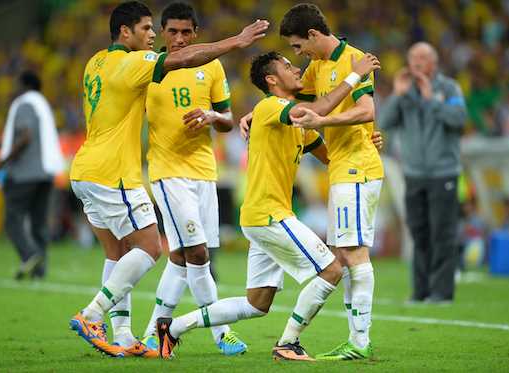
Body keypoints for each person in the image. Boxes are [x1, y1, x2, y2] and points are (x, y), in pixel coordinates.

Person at [68, 0, 269, 358]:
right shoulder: (133, 64)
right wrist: (237, 41)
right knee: (152, 248)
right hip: (117, 172)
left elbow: (220, 111)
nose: (153, 36)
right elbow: (182, 60)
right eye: (149, 29)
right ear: (126, 32)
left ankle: (128, 336)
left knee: (121, 253)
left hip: (89, 170)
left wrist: (211, 115)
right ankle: (92, 314)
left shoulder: (95, 61)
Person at [155, 51, 381, 361]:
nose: (297, 67)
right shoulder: (271, 107)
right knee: (331, 269)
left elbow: (331, 157)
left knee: (257, 304)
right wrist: (355, 75)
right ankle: (288, 343)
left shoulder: (292, 120)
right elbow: (320, 108)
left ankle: (173, 328)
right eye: (288, 65)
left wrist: (367, 143)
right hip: (269, 214)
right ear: (272, 79)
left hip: (262, 215)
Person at [278, 3, 384, 360]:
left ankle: (359, 340)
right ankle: (356, 339)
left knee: (354, 254)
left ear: (312, 34)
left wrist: (323, 124)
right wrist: (251, 114)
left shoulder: (354, 59)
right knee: (346, 254)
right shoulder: (317, 67)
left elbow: (366, 111)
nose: (298, 55)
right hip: (342, 168)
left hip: (357, 167)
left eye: (297, 47)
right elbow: (292, 102)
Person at [140, 2, 246, 356]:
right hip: (167, 172)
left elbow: (229, 119)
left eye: (187, 32)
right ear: (162, 32)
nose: (180, 39)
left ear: (196, 33)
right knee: (198, 253)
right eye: (173, 32)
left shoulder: (211, 66)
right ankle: (222, 333)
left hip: (204, 172)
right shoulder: (150, 68)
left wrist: (212, 116)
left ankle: (153, 334)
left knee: (184, 258)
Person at [378, 42, 467, 303]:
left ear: (433, 63)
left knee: (442, 232)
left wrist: (431, 100)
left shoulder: (448, 87)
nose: (416, 61)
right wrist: (397, 93)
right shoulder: (405, 92)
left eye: (422, 57)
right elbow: (384, 123)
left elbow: (459, 119)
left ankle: (441, 292)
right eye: (413, 57)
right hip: (414, 173)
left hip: (443, 172)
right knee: (418, 232)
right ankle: (420, 291)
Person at [0, 71, 65, 280]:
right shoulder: (43, 105)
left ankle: (30, 255)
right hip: (46, 173)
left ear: (25, 84)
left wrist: (4, 159)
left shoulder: (24, 103)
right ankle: (39, 269)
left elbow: (26, 136)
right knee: (39, 222)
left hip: (25, 173)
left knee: (12, 219)